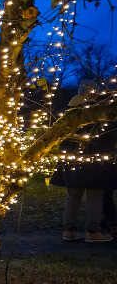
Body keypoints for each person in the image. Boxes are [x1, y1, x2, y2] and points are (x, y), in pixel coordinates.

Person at [49, 80, 116, 243]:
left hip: (71, 161)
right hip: (94, 161)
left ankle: (68, 230)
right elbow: (106, 135)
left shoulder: (67, 111)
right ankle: (93, 231)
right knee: (95, 195)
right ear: (94, 92)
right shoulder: (96, 112)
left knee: (73, 196)